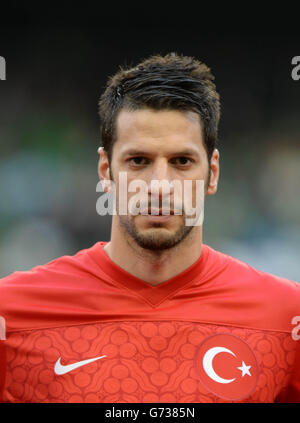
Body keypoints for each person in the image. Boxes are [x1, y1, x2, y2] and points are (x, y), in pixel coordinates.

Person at [0, 53, 299, 403]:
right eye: (138, 161)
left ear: (212, 173)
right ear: (105, 170)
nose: (159, 184)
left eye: (181, 162)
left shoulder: (286, 316)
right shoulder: (12, 313)